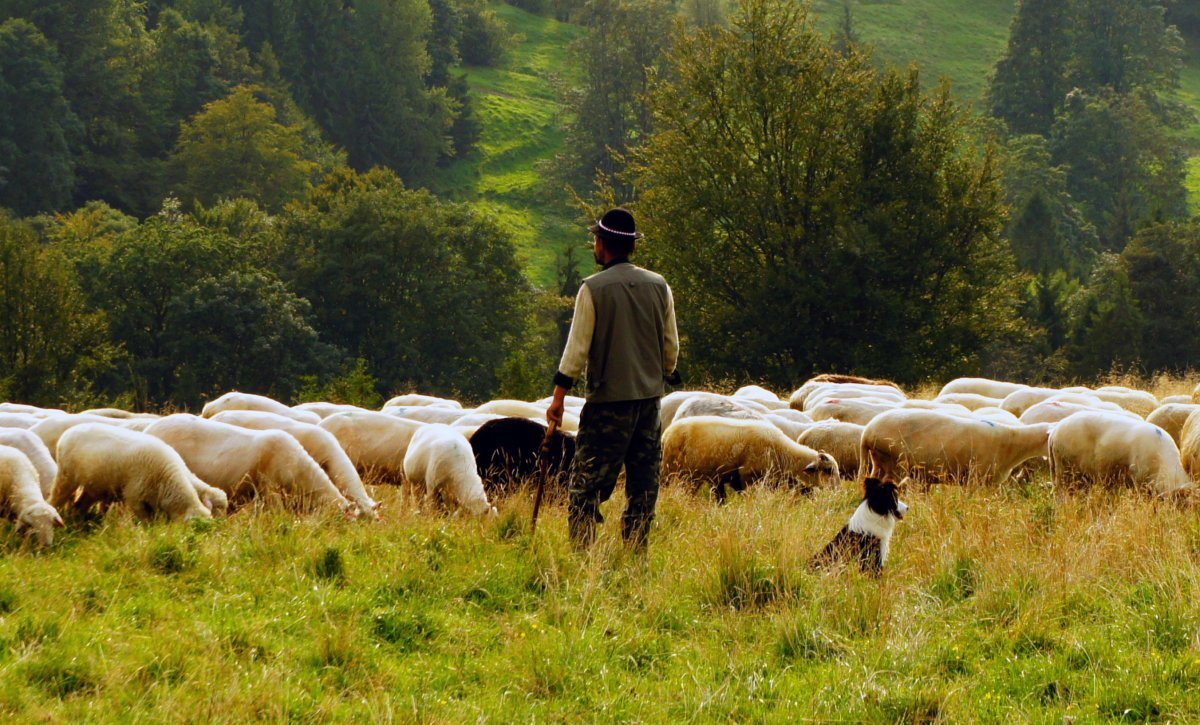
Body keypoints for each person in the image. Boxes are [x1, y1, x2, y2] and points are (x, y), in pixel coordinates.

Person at [547, 207, 680, 552]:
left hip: (608, 406)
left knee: (586, 486)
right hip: (650, 404)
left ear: (603, 244)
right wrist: (662, 374)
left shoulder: (593, 289)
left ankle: (583, 556)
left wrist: (559, 396)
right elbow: (671, 347)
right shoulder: (659, 286)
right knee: (643, 486)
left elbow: (576, 351)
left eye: (595, 239)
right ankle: (636, 554)